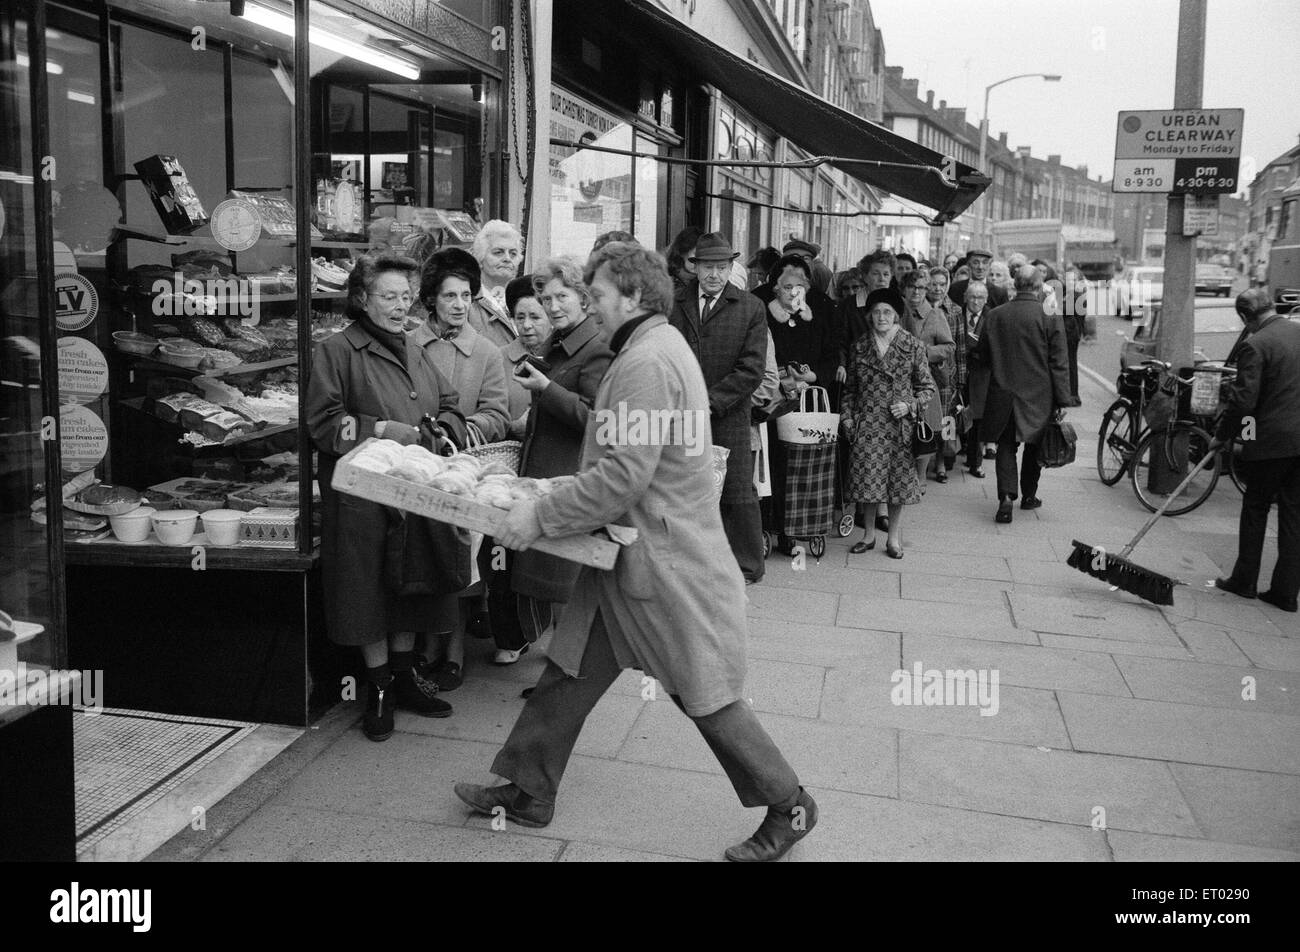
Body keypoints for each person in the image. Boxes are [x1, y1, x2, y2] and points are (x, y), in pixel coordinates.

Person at [454, 241, 818, 862]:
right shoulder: (653, 347)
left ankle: (791, 806)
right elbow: (620, 457)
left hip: (662, 563)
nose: (587, 305)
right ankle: (529, 788)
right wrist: (558, 489)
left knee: (705, 695)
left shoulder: (647, 361)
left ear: (633, 295)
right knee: (569, 670)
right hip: (630, 557)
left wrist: (535, 515)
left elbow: (624, 476)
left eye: (595, 294)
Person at [307, 253, 467, 741]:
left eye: (405, 297)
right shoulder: (336, 350)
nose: (400, 307)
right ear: (362, 298)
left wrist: (445, 431)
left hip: (413, 490)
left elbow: (449, 403)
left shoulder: (414, 348)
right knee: (367, 591)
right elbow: (322, 421)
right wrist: (381, 429)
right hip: (362, 497)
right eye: (388, 297)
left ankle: (402, 677)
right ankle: (376, 689)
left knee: (410, 586)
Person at [491, 256, 614, 665]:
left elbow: (599, 421)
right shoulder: (562, 343)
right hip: (549, 479)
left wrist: (547, 388)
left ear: (582, 297)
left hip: (569, 481)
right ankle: (565, 667)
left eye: (562, 296)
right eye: (547, 298)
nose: (553, 305)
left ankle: (568, 669)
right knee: (555, 582)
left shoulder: (595, 348)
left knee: (566, 584)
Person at [409, 248, 510, 690]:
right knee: (423, 555)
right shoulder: (410, 344)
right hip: (417, 464)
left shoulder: (487, 351)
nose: (459, 304)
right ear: (431, 299)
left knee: (463, 559)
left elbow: (498, 413)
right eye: (449, 296)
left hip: (466, 466)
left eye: (466, 296)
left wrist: (463, 429)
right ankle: (426, 644)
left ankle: (452, 650)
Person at [669, 232, 768, 584]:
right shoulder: (674, 303)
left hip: (729, 412)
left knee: (737, 488)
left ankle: (747, 565)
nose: (714, 274)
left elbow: (752, 369)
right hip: (682, 413)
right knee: (686, 486)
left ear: (731, 268)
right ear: (695, 268)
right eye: (708, 267)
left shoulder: (750, 307)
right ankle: (693, 563)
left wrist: (709, 402)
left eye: (722, 267)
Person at [1213, 289, 1300, 613]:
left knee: (1256, 507)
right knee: (1294, 514)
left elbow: (1245, 403)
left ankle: (1244, 580)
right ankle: (1286, 593)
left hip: (1271, 441)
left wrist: (1227, 436)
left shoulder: (1255, 344)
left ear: (1246, 318)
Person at [970, 266, 1071, 524]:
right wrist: (1062, 399)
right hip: (1039, 395)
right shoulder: (1049, 315)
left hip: (1002, 392)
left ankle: (1006, 497)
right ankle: (1029, 496)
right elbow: (1059, 361)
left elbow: (982, 355)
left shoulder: (995, 315)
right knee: (1034, 446)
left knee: (1006, 445)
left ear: (1015, 284)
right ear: (1039, 287)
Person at [841, 287, 936, 558]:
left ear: (896, 315)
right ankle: (869, 535)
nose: (881, 317)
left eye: (887, 312)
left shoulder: (912, 345)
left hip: (899, 426)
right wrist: (848, 419)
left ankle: (893, 539)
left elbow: (927, 387)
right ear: (869, 315)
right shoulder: (859, 346)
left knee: (897, 485)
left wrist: (910, 405)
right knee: (868, 482)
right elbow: (850, 390)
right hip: (867, 423)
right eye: (876, 312)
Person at [764, 253, 840, 552]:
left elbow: (832, 354)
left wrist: (813, 377)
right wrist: (781, 378)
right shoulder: (765, 313)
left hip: (810, 401)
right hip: (773, 399)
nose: (793, 291)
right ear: (776, 288)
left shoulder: (819, 313)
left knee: (807, 463)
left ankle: (804, 525)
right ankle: (777, 527)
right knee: (775, 463)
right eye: (786, 286)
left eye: (800, 285)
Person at [469, 219, 529, 427]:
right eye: (498, 252)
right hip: (487, 415)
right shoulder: (467, 304)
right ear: (480, 258)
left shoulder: (525, 301)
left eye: (513, 254)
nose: (507, 259)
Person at [899, 270, 955, 487]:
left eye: (922, 287)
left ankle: (920, 477)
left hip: (923, 380)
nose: (917, 291)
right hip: (898, 380)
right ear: (904, 289)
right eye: (912, 286)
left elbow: (949, 346)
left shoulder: (934, 314)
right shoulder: (895, 312)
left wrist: (924, 351)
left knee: (925, 429)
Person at [955, 281, 991, 478]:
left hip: (980, 374)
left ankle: (975, 462)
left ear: (985, 300)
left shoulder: (991, 316)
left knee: (977, 417)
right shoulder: (956, 315)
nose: (976, 301)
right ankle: (949, 456)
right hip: (958, 371)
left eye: (980, 298)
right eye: (972, 297)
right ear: (965, 298)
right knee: (953, 413)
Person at [665, 224, 704, 291]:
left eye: (703, 255)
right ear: (683, 252)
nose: (700, 260)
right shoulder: (666, 283)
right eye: (696, 254)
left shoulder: (704, 282)